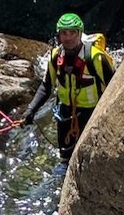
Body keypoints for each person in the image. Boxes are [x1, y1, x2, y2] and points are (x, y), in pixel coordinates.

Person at [22, 12, 115, 161]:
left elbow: (114, 87)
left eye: (73, 32)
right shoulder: (55, 56)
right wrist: (31, 109)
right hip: (65, 113)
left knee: (88, 157)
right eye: (64, 33)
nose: (69, 37)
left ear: (80, 33)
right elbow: (46, 86)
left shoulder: (95, 58)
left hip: (90, 113)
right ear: (59, 35)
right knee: (65, 156)